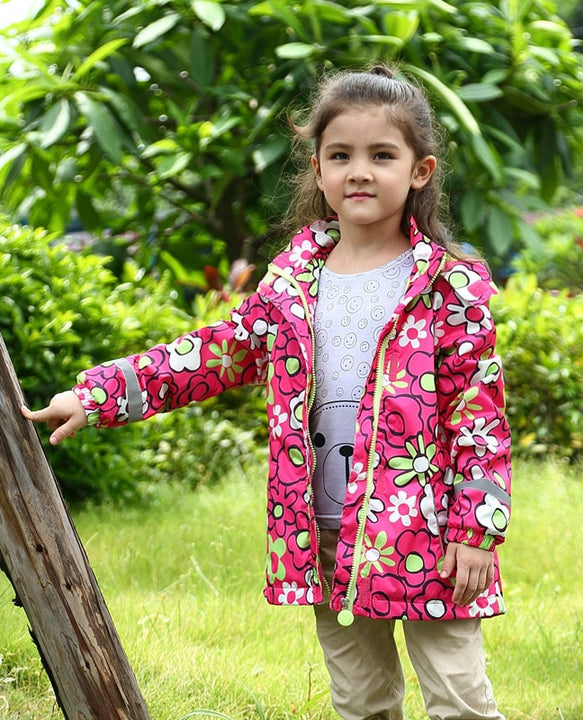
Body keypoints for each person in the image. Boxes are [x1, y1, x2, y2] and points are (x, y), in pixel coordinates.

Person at [22, 65, 512, 720]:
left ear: (420, 171)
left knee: (459, 701)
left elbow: (478, 417)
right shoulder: (293, 282)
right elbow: (216, 353)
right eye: (340, 155)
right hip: (325, 534)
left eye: (381, 155)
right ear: (318, 167)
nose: (359, 171)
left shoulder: (450, 289)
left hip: (430, 537)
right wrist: (96, 395)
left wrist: (476, 530)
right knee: (361, 700)